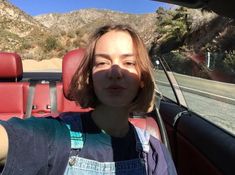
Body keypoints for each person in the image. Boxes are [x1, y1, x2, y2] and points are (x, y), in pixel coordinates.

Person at [0, 24, 177, 175]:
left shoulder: (153, 152)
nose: (115, 73)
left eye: (129, 63)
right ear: (90, 78)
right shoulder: (59, 134)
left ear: (142, 78)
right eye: (102, 63)